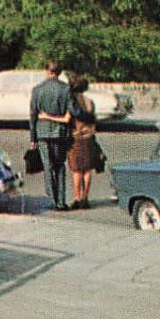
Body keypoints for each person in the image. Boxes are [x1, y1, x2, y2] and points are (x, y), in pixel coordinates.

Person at [29, 59, 74, 211]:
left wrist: (33, 137)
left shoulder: (37, 90)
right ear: (59, 72)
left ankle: (52, 200)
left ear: (47, 71)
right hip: (60, 132)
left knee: (47, 166)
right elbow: (71, 112)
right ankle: (61, 201)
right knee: (60, 166)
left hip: (42, 132)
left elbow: (33, 115)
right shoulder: (66, 89)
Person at [66, 75, 99, 209]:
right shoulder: (90, 102)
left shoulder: (72, 103)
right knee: (87, 169)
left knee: (76, 170)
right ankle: (86, 198)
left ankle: (77, 197)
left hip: (76, 137)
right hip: (89, 136)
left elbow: (69, 119)